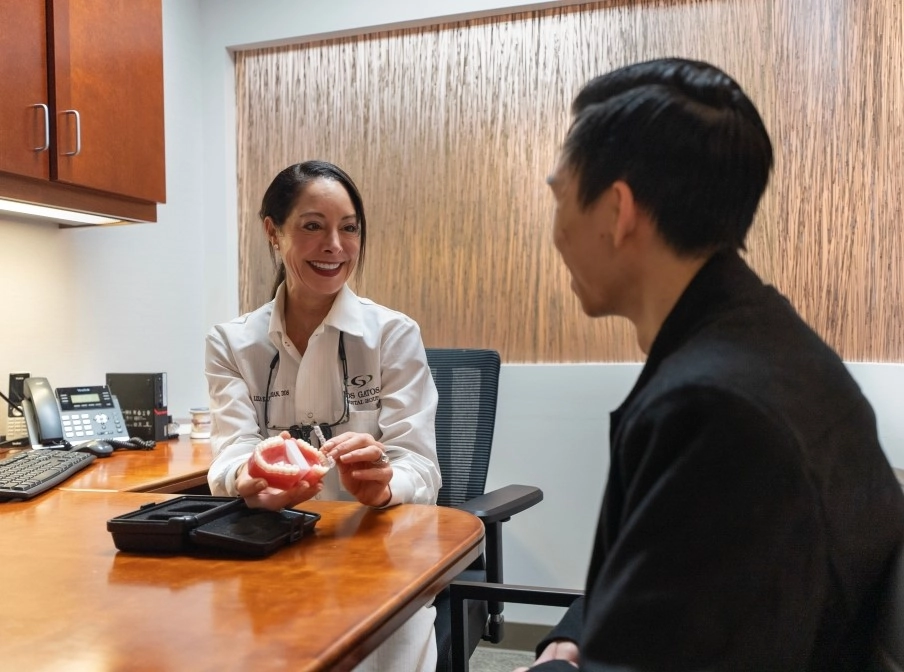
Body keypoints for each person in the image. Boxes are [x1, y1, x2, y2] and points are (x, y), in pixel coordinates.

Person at [518, 58, 904, 671]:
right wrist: (573, 637)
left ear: (617, 212)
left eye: (559, 195)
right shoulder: (763, 345)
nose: (557, 228)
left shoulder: (717, 412)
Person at [205, 160, 442, 672]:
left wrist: (383, 484)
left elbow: (421, 467)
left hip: (378, 560)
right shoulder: (232, 344)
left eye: (349, 228)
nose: (335, 245)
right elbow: (228, 458)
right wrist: (251, 475)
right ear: (274, 231)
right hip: (275, 557)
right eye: (313, 226)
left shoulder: (393, 335)